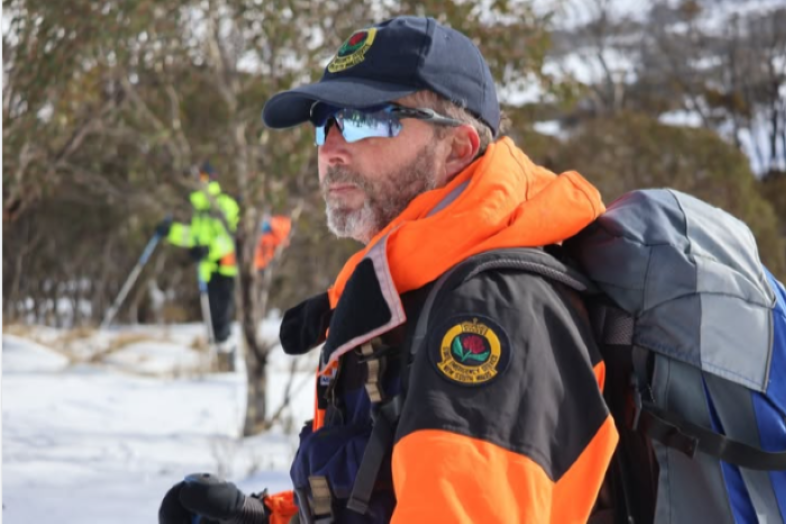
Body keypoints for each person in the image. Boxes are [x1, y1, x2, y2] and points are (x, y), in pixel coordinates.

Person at [159, 16, 618, 524]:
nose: (331, 149)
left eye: (364, 119)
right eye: (325, 123)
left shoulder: (489, 316)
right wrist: (270, 518)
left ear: (458, 148)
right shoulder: (414, 292)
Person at [156, 162, 240, 370]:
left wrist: (209, 251)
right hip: (207, 270)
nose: (199, 182)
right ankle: (215, 361)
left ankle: (226, 361)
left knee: (221, 317)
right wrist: (171, 231)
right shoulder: (199, 209)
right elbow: (193, 236)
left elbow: (232, 238)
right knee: (211, 317)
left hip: (224, 268)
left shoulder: (225, 205)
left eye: (203, 177)